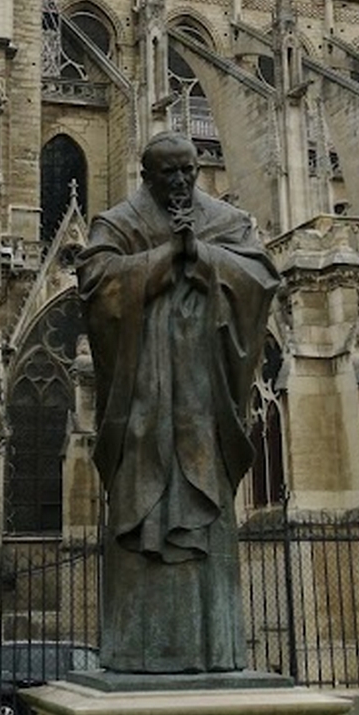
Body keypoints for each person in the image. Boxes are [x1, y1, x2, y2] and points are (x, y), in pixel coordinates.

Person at [77, 132, 279, 673]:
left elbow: (261, 275)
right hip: (142, 394)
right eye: (170, 174)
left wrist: (204, 254)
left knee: (208, 504)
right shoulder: (119, 223)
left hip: (203, 392)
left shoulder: (224, 221)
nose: (183, 182)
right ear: (147, 176)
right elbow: (94, 282)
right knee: (139, 500)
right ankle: (137, 651)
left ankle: (215, 648)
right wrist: (169, 256)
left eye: (190, 171)